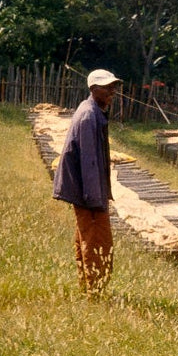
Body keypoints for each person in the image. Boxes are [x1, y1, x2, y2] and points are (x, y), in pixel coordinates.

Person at [52, 68, 122, 294]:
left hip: (86, 191)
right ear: (94, 89)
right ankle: (95, 291)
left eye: (113, 87)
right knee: (97, 242)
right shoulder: (88, 116)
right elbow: (89, 162)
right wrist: (95, 201)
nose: (112, 92)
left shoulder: (92, 111)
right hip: (88, 194)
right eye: (107, 87)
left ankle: (88, 288)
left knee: (86, 239)